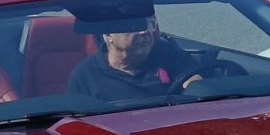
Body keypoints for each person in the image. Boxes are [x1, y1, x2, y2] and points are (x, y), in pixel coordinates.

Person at [65, 12, 194, 100]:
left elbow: (196, 82)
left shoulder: (166, 51)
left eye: (149, 24)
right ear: (109, 34)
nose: (144, 31)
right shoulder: (85, 76)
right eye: (134, 26)